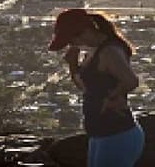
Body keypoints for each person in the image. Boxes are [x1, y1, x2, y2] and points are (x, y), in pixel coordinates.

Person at [47, 9, 145, 167]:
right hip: (100, 132)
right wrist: (73, 64)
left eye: (72, 40)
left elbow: (131, 81)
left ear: (85, 31)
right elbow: (86, 88)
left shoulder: (109, 52)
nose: (72, 45)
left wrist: (112, 98)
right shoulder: (93, 51)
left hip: (117, 133)